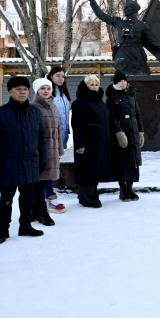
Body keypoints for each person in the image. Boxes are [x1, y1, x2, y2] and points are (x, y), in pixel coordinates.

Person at [0, 76, 48, 244]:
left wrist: (43, 160)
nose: (22, 92)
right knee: (6, 199)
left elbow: (42, 139)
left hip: (30, 162)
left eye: (25, 89)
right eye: (18, 89)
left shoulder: (35, 112)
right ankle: (3, 229)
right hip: (8, 164)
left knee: (27, 198)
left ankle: (25, 225)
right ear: (10, 91)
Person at [86, 0, 160, 76]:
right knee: (123, 75)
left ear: (133, 10)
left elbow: (152, 42)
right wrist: (92, 2)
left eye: (127, 7)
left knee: (143, 75)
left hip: (136, 55)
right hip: (123, 54)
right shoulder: (119, 21)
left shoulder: (141, 25)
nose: (124, 9)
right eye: (124, 7)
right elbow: (102, 15)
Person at [71, 75, 113, 208]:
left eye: (96, 84)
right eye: (91, 84)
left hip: (100, 142)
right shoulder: (80, 102)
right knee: (88, 171)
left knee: (96, 170)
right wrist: (80, 144)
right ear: (86, 86)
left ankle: (87, 196)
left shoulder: (99, 101)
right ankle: (88, 198)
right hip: (88, 143)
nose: (94, 87)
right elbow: (77, 125)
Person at [106, 70, 144, 201]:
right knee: (122, 162)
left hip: (133, 130)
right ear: (116, 83)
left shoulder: (131, 94)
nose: (123, 83)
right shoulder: (112, 97)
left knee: (133, 161)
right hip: (121, 131)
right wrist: (119, 132)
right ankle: (123, 189)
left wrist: (141, 131)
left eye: (124, 81)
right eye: (120, 81)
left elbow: (138, 114)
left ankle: (130, 188)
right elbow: (111, 117)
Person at [30, 78, 64, 227]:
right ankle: (42, 213)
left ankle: (35, 212)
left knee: (42, 184)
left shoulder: (53, 106)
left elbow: (58, 131)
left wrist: (59, 149)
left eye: (48, 88)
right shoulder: (33, 107)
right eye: (42, 88)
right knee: (38, 185)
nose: (46, 91)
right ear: (37, 90)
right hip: (40, 152)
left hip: (52, 151)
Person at [45, 65, 70, 214]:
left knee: (53, 167)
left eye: (63, 76)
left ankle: (46, 197)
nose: (61, 79)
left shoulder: (62, 92)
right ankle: (49, 198)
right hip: (50, 138)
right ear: (51, 76)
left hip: (61, 137)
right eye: (58, 76)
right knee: (48, 168)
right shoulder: (47, 92)